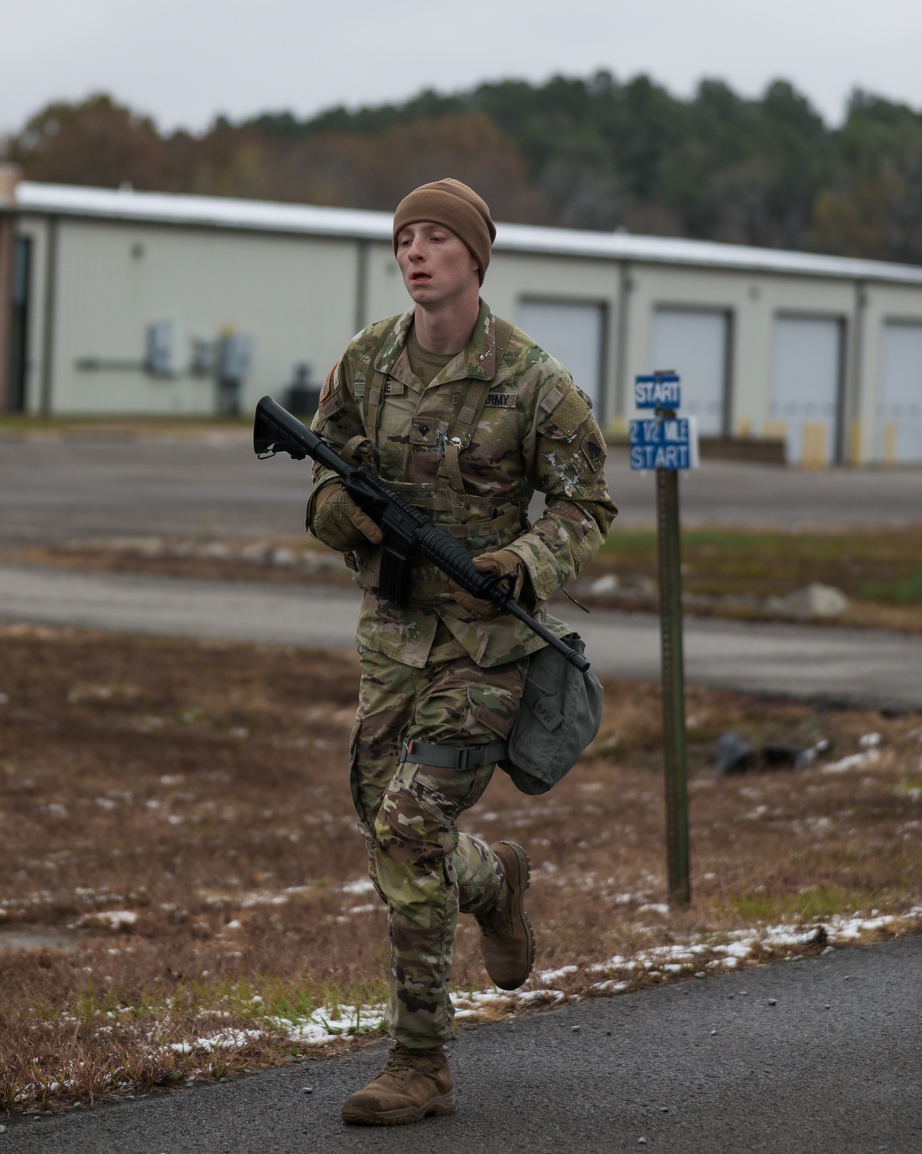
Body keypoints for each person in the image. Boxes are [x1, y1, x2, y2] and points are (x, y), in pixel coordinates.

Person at [306, 178, 617, 1126]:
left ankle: (420, 1062)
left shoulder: (534, 381)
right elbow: (319, 488)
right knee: (387, 822)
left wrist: (523, 561)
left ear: (475, 258)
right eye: (406, 238)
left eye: (438, 238)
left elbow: (587, 508)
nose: (417, 252)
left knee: (407, 824)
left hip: (486, 647)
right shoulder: (366, 364)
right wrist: (348, 513)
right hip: (395, 639)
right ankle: (494, 882)